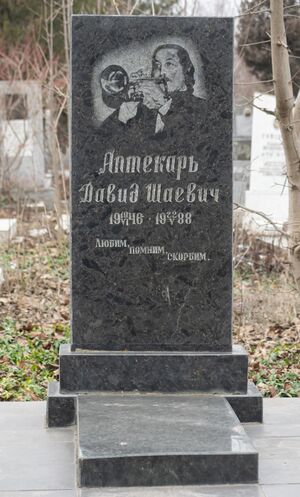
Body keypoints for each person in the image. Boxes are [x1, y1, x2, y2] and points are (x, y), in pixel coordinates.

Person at [100, 44, 207, 144]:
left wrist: (164, 105)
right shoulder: (142, 108)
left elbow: (196, 143)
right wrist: (125, 113)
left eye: (169, 64)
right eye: (156, 66)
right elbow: (101, 140)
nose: (160, 72)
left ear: (186, 71)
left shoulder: (202, 108)